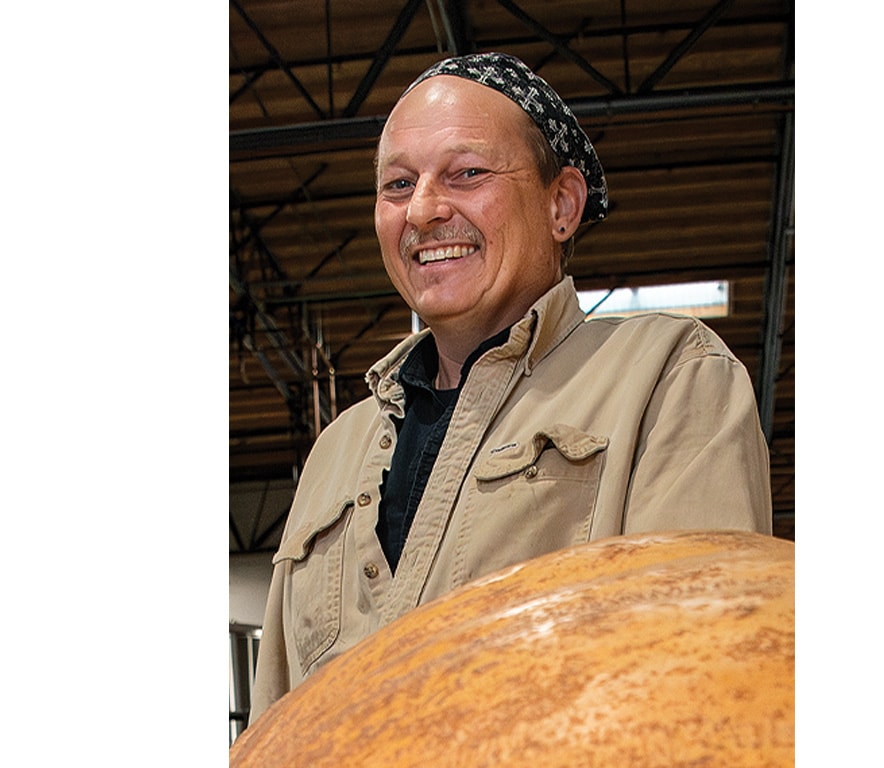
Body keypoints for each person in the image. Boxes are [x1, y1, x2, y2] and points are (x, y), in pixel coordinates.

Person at [248, 52, 772, 723]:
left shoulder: (668, 376)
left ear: (561, 205)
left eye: (467, 174)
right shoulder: (335, 452)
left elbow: (700, 681)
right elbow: (274, 727)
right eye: (398, 185)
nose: (425, 210)